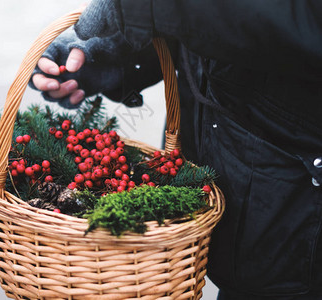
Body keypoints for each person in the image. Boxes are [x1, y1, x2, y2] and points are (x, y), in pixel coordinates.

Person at [30, 1, 322, 299]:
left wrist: (147, 7)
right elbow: (201, 35)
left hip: (298, 230)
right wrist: (106, 50)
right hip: (230, 215)